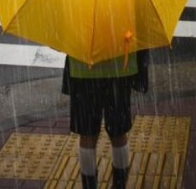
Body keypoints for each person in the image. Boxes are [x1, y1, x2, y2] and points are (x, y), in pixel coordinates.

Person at [62, 50, 149, 189]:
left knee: (87, 133)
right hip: (120, 66)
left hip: (83, 66)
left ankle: (89, 185)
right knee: (118, 131)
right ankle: (119, 185)